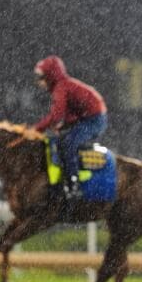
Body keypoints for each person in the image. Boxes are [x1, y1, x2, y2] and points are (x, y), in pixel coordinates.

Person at [33, 55, 108, 198]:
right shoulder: (62, 86)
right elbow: (67, 114)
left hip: (95, 119)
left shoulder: (61, 88)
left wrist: (36, 128)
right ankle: (68, 178)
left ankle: (74, 184)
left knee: (68, 143)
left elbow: (56, 116)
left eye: (41, 78)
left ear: (50, 76)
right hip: (89, 117)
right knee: (62, 140)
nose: (39, 83)